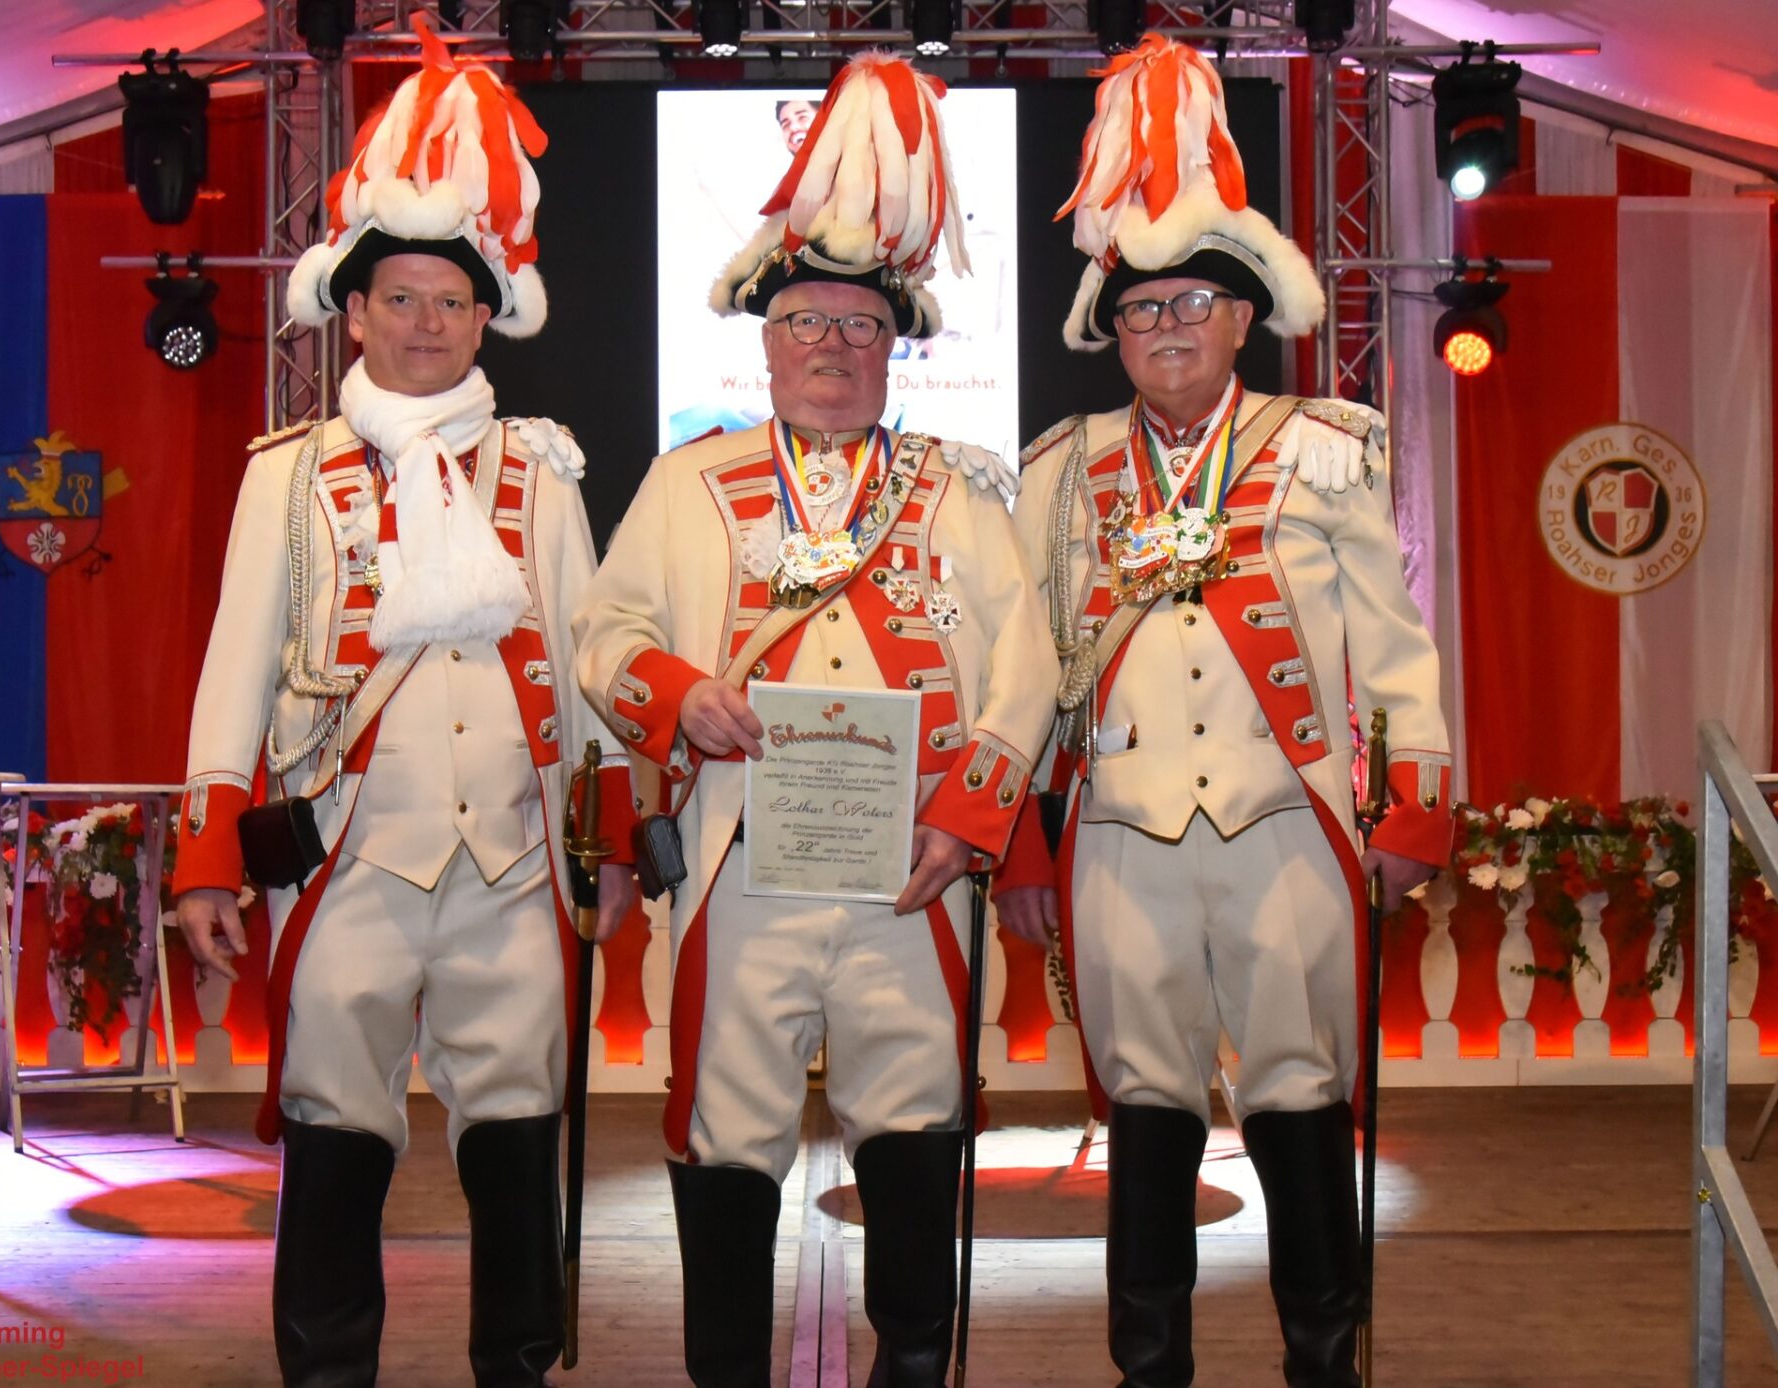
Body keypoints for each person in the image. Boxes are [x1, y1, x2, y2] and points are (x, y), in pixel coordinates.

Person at [573, 54, 1054, 1388]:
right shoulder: (688, 483)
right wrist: (684, 697)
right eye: (805, 325)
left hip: (915, 873)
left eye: (857, 328)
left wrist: (970, 820)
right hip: (740, 869)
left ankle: (913, 1366)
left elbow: (1028, 669)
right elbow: (602, 640)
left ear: (894, 348)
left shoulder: (959, 491)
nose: (831, 348)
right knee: (725, 1134)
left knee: (917, 1122)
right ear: (765, 340)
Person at [169, 20, 634, 1387]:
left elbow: (589, 669)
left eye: (449, 303)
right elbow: (234, 667)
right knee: (333, 1136)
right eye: (400, 300)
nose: (426, 325)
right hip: (348, 861)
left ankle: (515, 1368)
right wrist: (206, 856)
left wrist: (606, 847)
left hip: (512, 864)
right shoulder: (286, 473)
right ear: (354, 312)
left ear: (486, 318)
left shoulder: (542, 470)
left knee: (518, 1138)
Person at [994, 37, 1454, 1388]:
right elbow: (1023, 672)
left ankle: (1323, 1359)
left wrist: (1415, 804)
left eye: (1194, 302)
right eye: (1142, 309)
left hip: (1288, 830)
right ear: (1114, 330)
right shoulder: (1062, 472)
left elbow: (1397, 648)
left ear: (1244, 318)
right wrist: (1019, 839)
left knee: (1302, 1096)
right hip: (1121, 839)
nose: (1168, 327)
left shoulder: (1326, 447)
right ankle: (1151, 1367)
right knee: (1146, 1108)